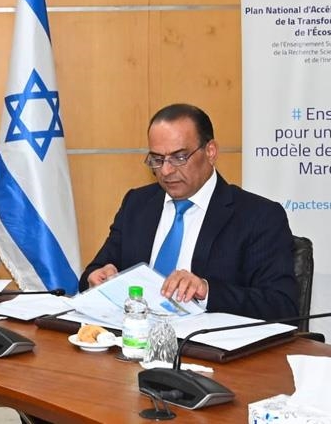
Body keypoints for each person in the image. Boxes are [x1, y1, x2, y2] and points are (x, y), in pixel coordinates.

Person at [79, 103, 299, 320]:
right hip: (134, 336)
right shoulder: (137, 204)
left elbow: (282, 304)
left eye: (179, 157)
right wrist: (97, 277)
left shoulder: (259, 216)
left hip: (205, 341)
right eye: (157, 159)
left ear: (210, 152)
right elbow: (96, 270)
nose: (166, 171)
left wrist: (207, 291)